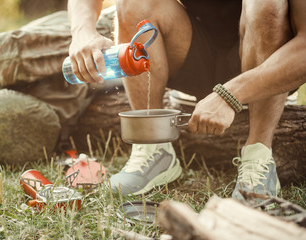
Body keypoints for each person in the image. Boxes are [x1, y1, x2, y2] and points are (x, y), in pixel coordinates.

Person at [67, 0, 306, 198]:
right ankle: (153, 148)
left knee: (267, 5)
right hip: (193, 49)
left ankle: (259, 157)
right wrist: (82, 32)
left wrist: (231, 93)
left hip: (267, 60)